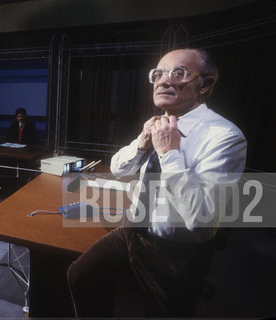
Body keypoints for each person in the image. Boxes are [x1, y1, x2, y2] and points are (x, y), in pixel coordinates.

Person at [67, 48, 246, 317]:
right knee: (80, 275)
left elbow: (203, 223)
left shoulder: (225, 137)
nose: (163, 80)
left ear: (205, 84)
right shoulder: (159, 124)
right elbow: (118, 169)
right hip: (132, 230)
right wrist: (141, 145)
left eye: (178, 73)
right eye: (158, 73)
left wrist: (169, 153)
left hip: (176, 254)